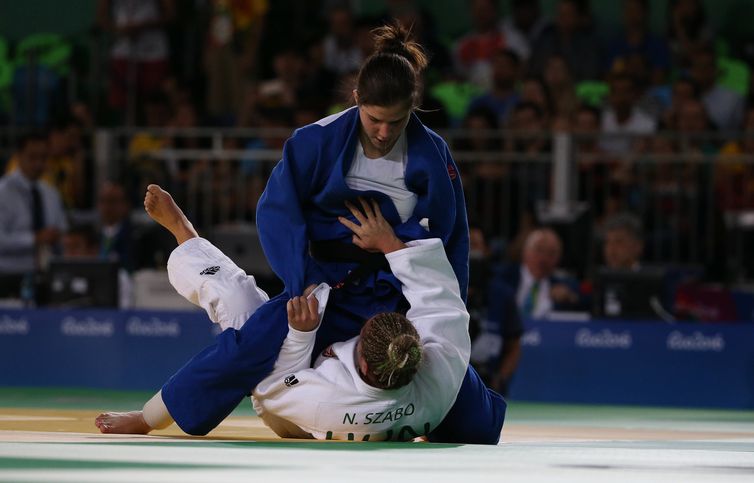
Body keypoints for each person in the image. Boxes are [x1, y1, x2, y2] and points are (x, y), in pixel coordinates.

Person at [104, 23, 505, 445]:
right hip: (327, 280)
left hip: (396, 288)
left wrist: (434, 291)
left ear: (414, 106)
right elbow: (278, 211)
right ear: (356, 100)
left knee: (466, 408)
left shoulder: (431, 155)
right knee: (249, 344)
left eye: (397, 121)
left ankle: (472, 414)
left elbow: (451, 239)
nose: (385, 132)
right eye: (374, 119)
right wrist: (302, 283)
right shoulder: (316, 142)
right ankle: (150, 416)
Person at [96, 186, 471, 441]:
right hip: (382, 398)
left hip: (289, 409)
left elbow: (268, 382)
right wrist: (390, 242)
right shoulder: (443, 376)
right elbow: (440, 300)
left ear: (365, 367)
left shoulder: (325, 402)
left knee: (240, 305)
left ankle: (184, 232)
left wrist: (302, 334)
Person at [0, 132, 68, 298]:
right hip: (8, 278)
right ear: (19, 156)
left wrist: (59, 237)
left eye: (43, 158)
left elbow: (63, 232)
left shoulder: (50, 193)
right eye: (32, 157)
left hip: (47, 277)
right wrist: (35, 239)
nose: (38, 164)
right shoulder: (3, 192)